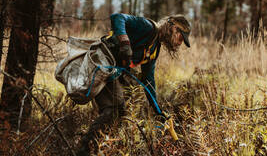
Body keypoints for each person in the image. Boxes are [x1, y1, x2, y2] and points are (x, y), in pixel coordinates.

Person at [77, 13, 191, 155]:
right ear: (173, 28)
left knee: (122, 112)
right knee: (115, 110)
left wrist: (158, 111)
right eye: (181, 38)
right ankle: (84, 150)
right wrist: (125, 42)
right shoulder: (147, 27)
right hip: (101, 64)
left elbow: (148, 80)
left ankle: (101, 148)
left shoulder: (154, 49)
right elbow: (117, 17)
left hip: (112, 72)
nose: (180, 43)